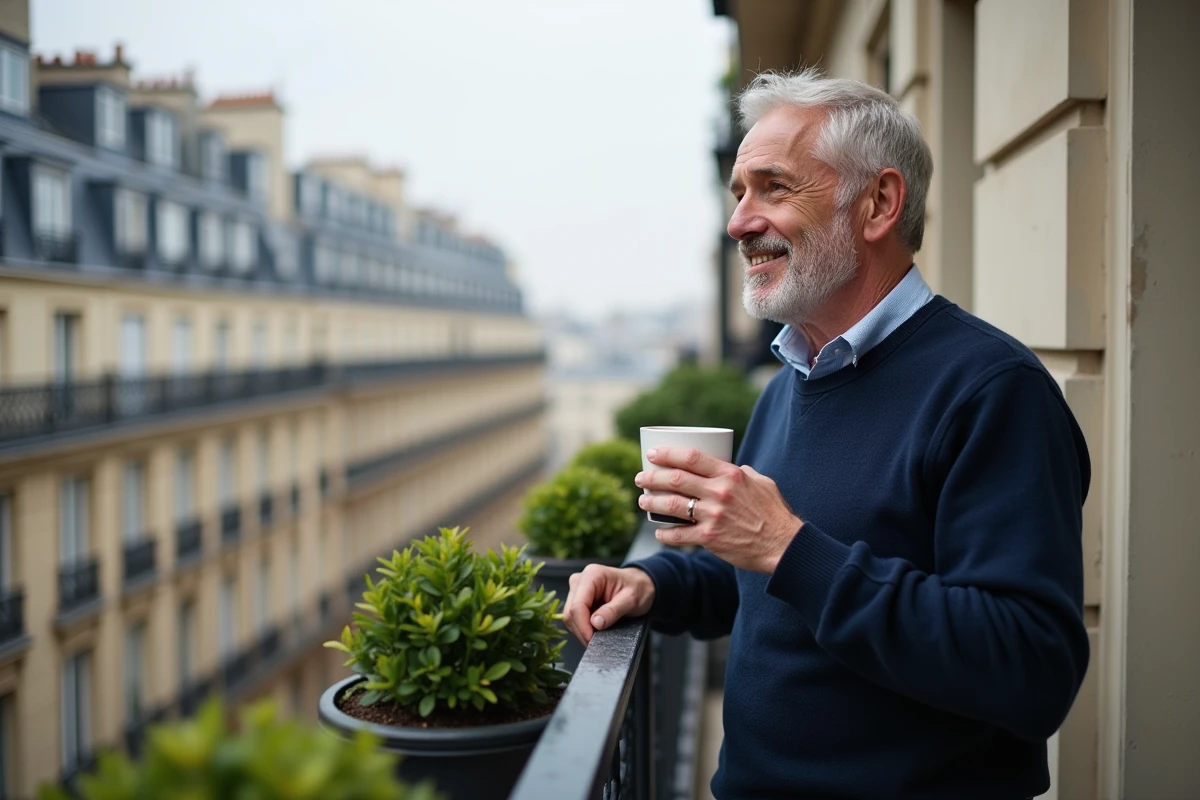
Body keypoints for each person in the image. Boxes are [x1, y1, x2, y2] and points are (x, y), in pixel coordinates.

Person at [562, 68, 1090, 800]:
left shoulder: (992, 391)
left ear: (878, 203)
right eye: (738, 192)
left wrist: (785, 544)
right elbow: (767, 579)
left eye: (773, 188)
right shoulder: (793, 378)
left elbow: (1032, 669)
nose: (739, 222)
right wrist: (654, 582)